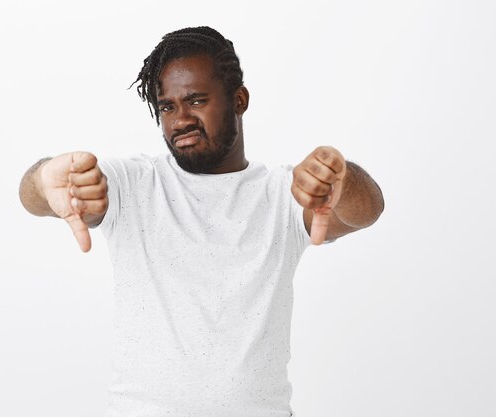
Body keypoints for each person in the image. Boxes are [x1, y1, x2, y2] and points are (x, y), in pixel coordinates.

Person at [19, 26, 384, 417]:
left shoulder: (283, 193)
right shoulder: (134, 184)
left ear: (239, 100)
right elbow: (36, 196)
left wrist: (341, 180)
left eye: (196, 100)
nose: (180, 121)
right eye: (167, 106)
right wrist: (43, 180)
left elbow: (366, 210)